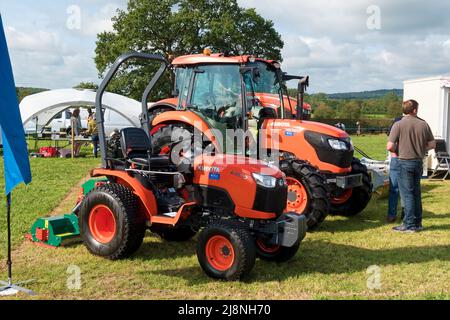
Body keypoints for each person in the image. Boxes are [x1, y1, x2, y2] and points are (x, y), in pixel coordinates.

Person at [387, 100, 436, 232]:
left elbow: (390, 146)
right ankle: (418, 223)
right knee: (416, 193)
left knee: (407, 194)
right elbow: (432, 144)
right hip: (418, 162)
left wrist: (398, 150)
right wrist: (421, 148)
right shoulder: (424, 124)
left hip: (404, 162)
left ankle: (408, 225)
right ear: (414, 109)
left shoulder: (398, 124)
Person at [386, 116, 405, 223]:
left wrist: (394, 153)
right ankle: (404, 213)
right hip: (406, 159)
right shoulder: (412, 123)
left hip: (396, 158)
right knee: (405, 189)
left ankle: (391, 215)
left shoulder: (396, 123)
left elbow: (390, 143)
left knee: (394, 189)